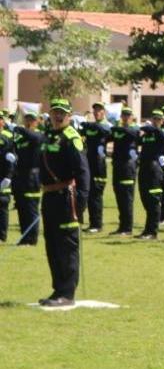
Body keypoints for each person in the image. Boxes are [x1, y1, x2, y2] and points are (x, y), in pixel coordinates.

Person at [36, 99, 89, 307]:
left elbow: (82, 172)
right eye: (54, 112)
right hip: (50, 196)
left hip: (67, 198)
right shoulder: (49, 135)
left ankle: (67, 293)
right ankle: (57, 288)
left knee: (67, 245)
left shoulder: (71, 137)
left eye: (62, 113)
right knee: (53, 244)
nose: (58, 116)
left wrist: (82, 202)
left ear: (69, 116)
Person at [136, 111, 164, 240]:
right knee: (145, 198)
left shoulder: (162, 133)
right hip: (144, 168)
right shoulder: (147, 134)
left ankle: (152, 231)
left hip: (154, 169)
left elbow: (162, 136)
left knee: (153, 200)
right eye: (154, 119)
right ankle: (147, 229)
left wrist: (149, 128)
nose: (156, 121)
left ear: (162, 121)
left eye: (159, 119)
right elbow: (137, 140)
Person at [12, 112, 45, 246]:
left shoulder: (38, 135)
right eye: (27, 120)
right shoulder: (21, 139)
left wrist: (19, 129)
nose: (28, 122)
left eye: (31, 120)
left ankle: (32, 238)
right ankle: (24, 236)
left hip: (32, 177)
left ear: (37, 122)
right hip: (20, 176)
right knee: (21, 207)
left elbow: (35, 138)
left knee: (31, 208)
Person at [79, 102, 111, 233]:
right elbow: (81, 134)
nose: (97, 112)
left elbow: (105, 131)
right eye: (95, 110)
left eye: (99, 110)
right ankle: (93, 223)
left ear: (104, 112)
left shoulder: (106, 125)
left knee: (96, 195)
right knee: (89, 194)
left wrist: (90, 124)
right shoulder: (90, 127)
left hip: (99, 165)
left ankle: (97, 225)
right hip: (88, 163)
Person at [109, 108, 139, 236]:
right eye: (123, 115)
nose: (125, 117)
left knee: (127, 198)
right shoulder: (118, 130)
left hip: (128, 166)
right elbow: (108, 136)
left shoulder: (134, 129)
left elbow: (132, 134)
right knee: (119, 197)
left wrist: (117, 128)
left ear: (132, 117)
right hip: (117, 166)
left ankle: (127, 228)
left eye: (128, 115)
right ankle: (122, 226)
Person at [0, 111, 15, 243]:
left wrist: (8, 176)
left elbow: (13, 157)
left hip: (3, 176)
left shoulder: (8, 136)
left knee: (2, 205)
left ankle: (2, 236)